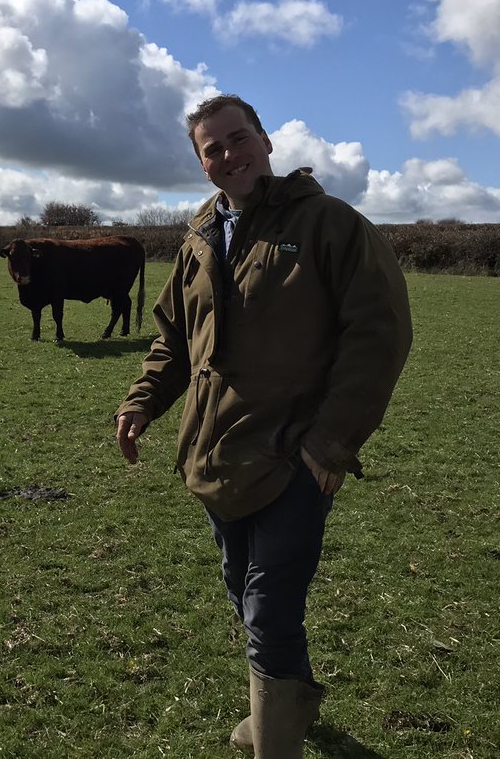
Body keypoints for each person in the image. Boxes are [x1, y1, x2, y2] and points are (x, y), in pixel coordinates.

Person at [115, 94, 412, 757]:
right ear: (201, 163)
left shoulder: (328, 224)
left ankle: (273, 741)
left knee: (270, 608)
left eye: (237, 138)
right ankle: (287, 706)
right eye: (211, 148)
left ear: (266, 141)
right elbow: (175, 340)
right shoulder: (198, 237)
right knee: (245, 591)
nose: (228, 154)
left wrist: (330, 442)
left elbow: (378, 334)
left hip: (293, 458)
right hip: (216, 454)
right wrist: (141, 403)